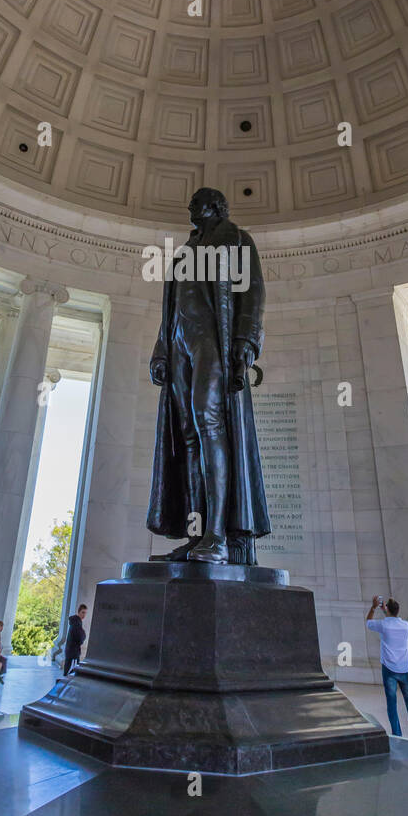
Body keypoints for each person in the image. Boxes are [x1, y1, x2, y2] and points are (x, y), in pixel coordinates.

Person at [147, 187, 270, 565]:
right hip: (181, 344)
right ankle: (196, 533)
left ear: (216, 207)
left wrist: (246, 342)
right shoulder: (184, 253)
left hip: (212, 344)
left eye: (196, 203)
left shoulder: (236, 240)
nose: (190, 208)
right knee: (186, 437)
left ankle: (217, 536)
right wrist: (161, 350)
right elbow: (171, 309)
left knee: (209, 425)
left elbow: (252, 294)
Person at [365, 595, 408, 741]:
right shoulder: (406, 625)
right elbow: (393, 619)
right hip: (405, 668)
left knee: (392, 703)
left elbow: (368, 622)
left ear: (388, 610)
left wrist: (374, 607)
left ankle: (397, 735)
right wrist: (386, 610)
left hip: (390, 669)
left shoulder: (384, 625)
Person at [63, 605, 87, 675]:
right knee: (72, 672)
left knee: (68, 669)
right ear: (79, 612)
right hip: (73, 651)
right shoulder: (77, 623)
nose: (84, 615)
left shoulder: (75, 622)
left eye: (85, 613)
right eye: (83, 612)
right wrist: (83, 635)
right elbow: (79, 636)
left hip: (71, 650)